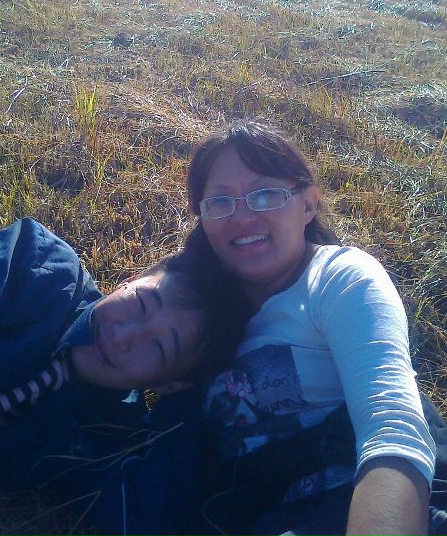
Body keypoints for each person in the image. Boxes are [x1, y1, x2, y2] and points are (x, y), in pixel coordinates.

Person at [185, 120, 447, 535]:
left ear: (308, 205)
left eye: (266, 194)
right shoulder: (201, 307)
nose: (243, 217)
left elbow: (391, 426)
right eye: (220, 201)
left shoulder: (339, 278)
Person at [0, 217, 247, 536]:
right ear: (131, 279)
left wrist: (187, 405)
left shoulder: (108, 429)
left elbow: (146, 516)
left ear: (169, 384)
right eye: (141, 303)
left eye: (158, 348)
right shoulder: (39, 271)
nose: (122, 337)